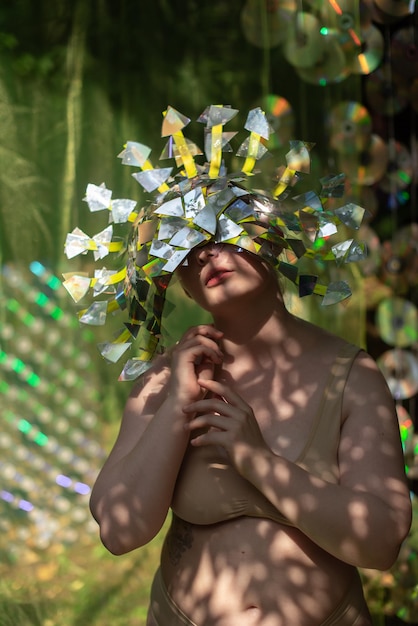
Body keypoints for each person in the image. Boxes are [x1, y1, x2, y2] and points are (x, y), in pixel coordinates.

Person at [75, 106, 411, 625]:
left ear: (271, 235)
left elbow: (381, 543)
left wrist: (256, 460)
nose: (204, 255)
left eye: (220, 229)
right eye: (183, 251)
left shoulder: (352, 374)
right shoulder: (167, 378)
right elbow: (119, 531)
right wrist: (175, 410)